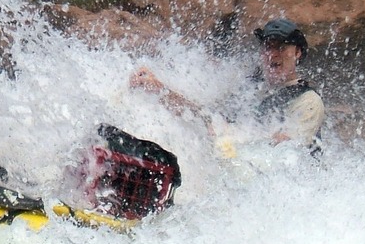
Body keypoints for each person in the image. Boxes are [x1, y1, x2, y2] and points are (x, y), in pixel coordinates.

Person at [131, 18, 324, 148]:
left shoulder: (308, 102)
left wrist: (227, 139)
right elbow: (209, 119)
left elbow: (281, 154)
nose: (272, 53)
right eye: (268, 46)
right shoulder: (251, 89)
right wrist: (160, 90)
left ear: (297, 52)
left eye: (281, 47)